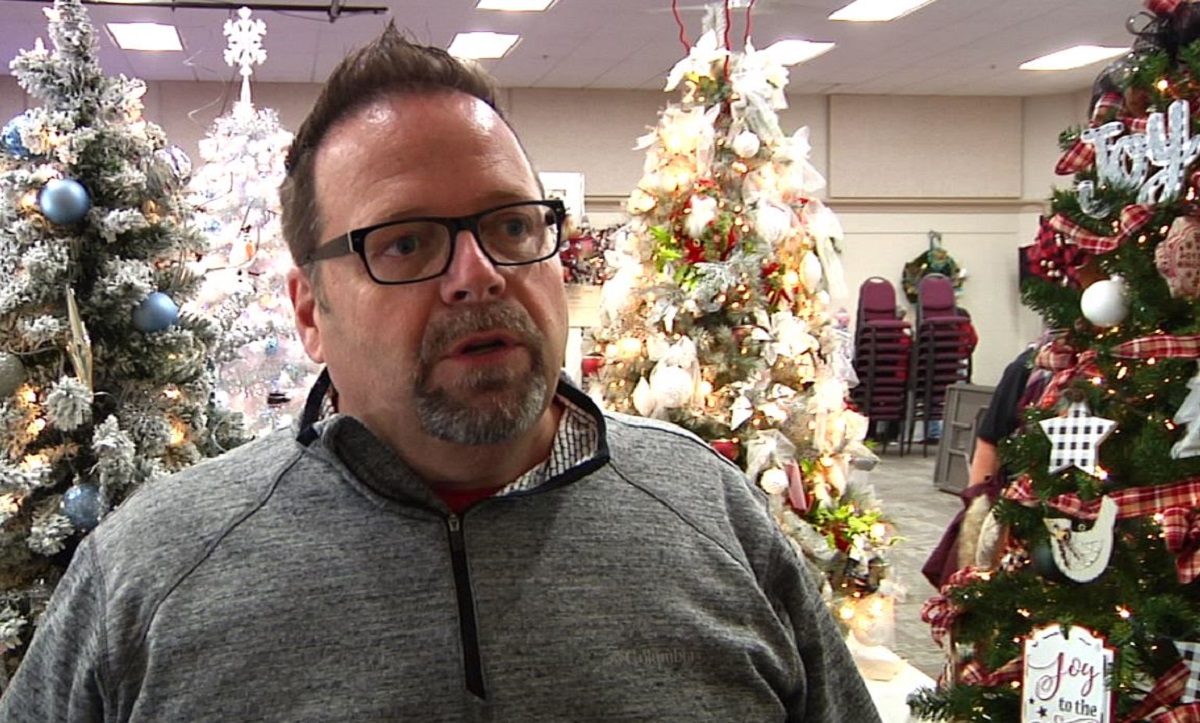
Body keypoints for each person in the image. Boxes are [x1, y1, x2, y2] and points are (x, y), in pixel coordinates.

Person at [0, 25, 880, 722]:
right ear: (309, 312)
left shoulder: (711, 509)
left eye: (509, 225)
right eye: (408, 241)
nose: (480, 272)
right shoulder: (150, 570)